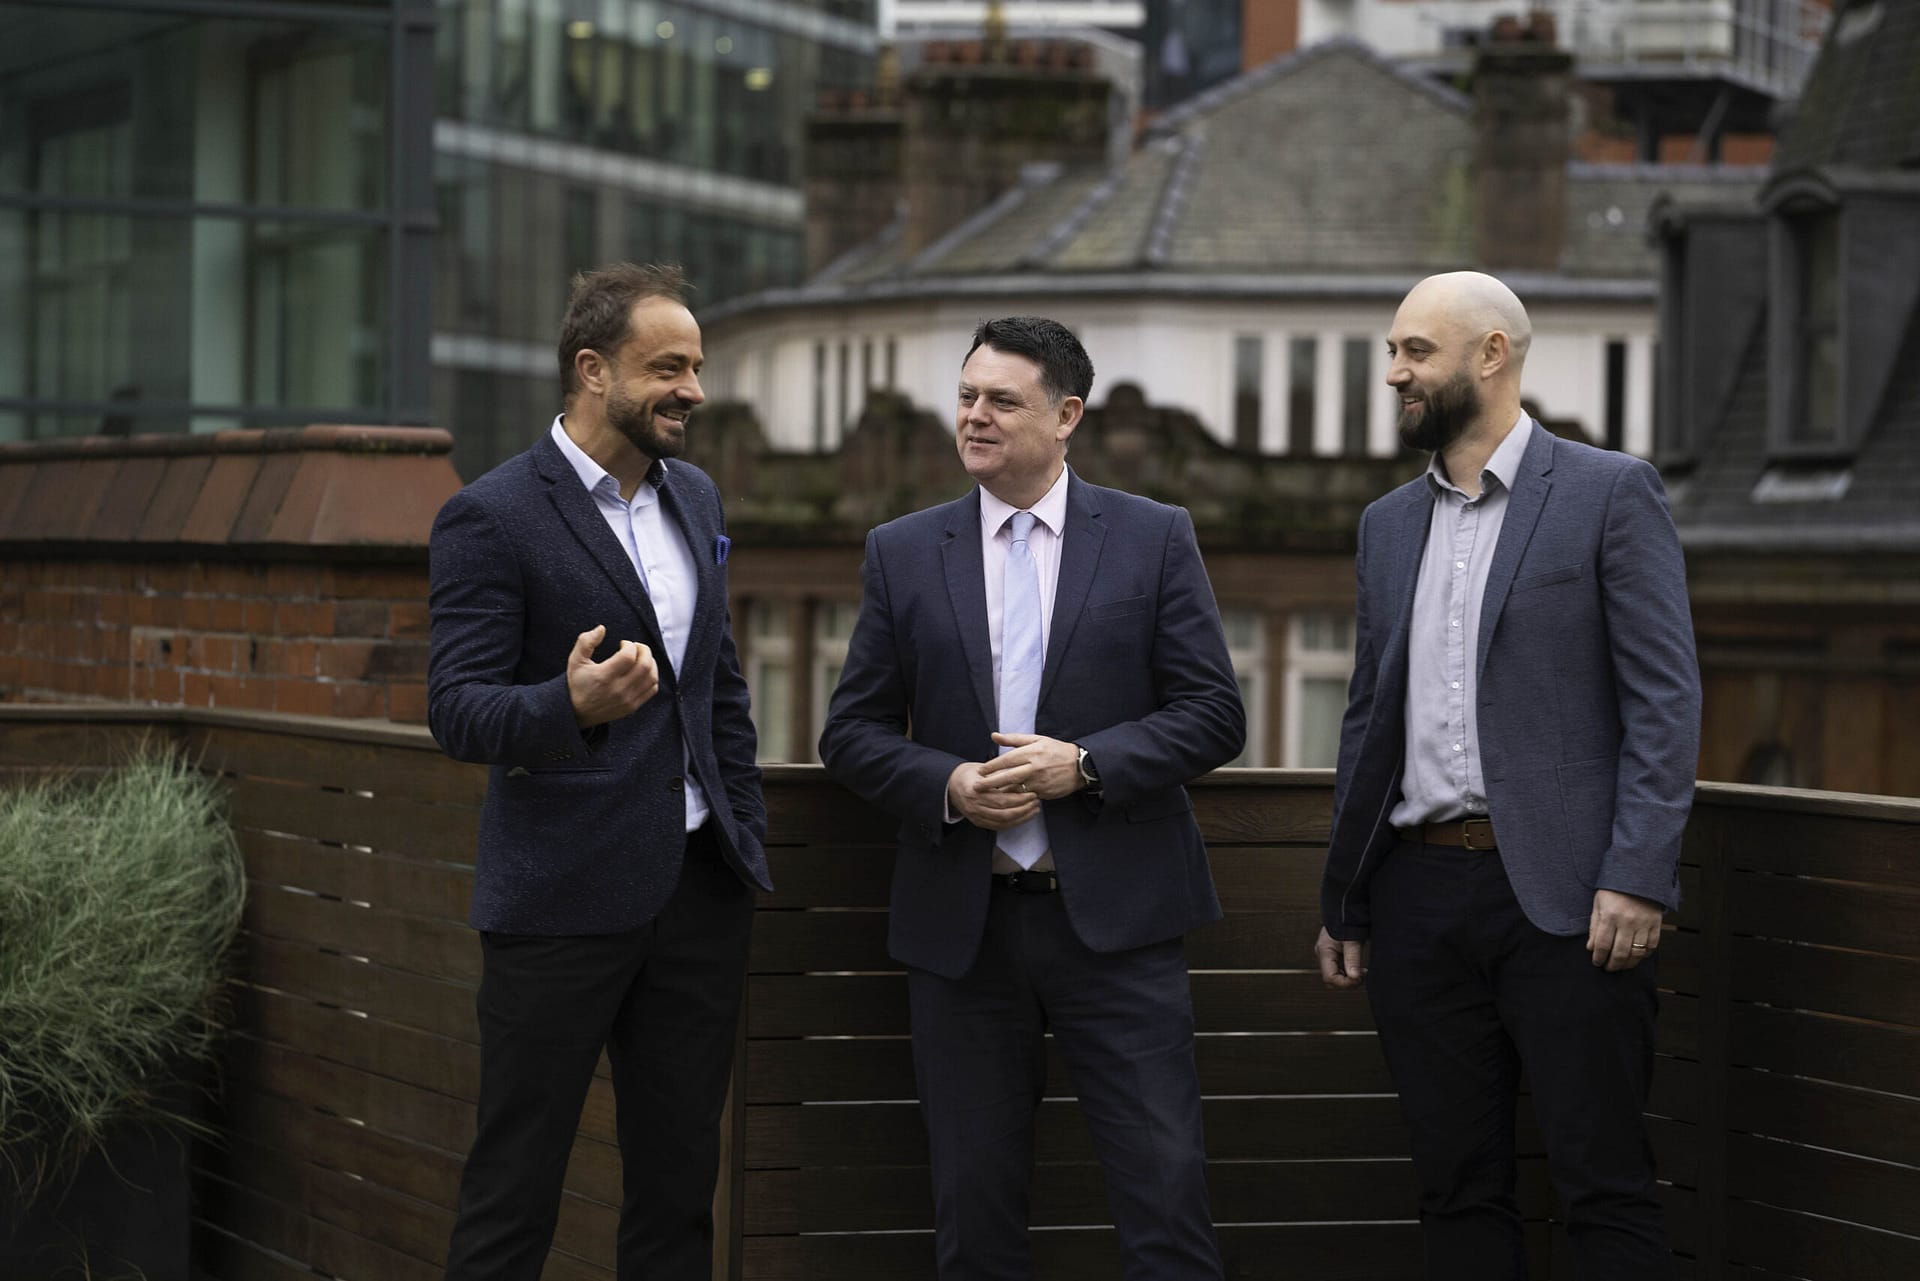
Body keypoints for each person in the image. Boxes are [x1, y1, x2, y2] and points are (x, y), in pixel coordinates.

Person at [820, 316, 1245, 1281]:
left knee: (1166, 1204)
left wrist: (1083, 764)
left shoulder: (1153, 536)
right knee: (974, 1220)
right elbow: (850, 733)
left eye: (1000, 401)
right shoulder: (902, 550)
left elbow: (1216, 714)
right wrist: (949, 785)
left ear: (1066, 417)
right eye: (966, 395)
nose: (973, 416)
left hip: (1121, 928)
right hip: (962, 935)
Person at [1314, 272, 1699, 1278]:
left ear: (1492, 355)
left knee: (1603, 1183)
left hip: (1573, 904)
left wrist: (1638, 874)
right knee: (1455, 1187)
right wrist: (1346, 899)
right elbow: (1370, 720)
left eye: (1415, 352)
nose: (1395, 372)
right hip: (1419, 897)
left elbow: (1666, 700)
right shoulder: (1387, 524)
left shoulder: (1612, 492)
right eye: (1392, 351)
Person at [427, 262, 771, 1281]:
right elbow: (456, 708)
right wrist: (566, 708)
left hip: (699, 893)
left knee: (677, 1194)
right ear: (592, 370)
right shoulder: (491, 515)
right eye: (669, 367)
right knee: (515, 1192)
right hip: (559, 906)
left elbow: (720, 686)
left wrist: (743, 833)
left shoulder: (696, 494)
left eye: (698, 368)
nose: (694, 391)